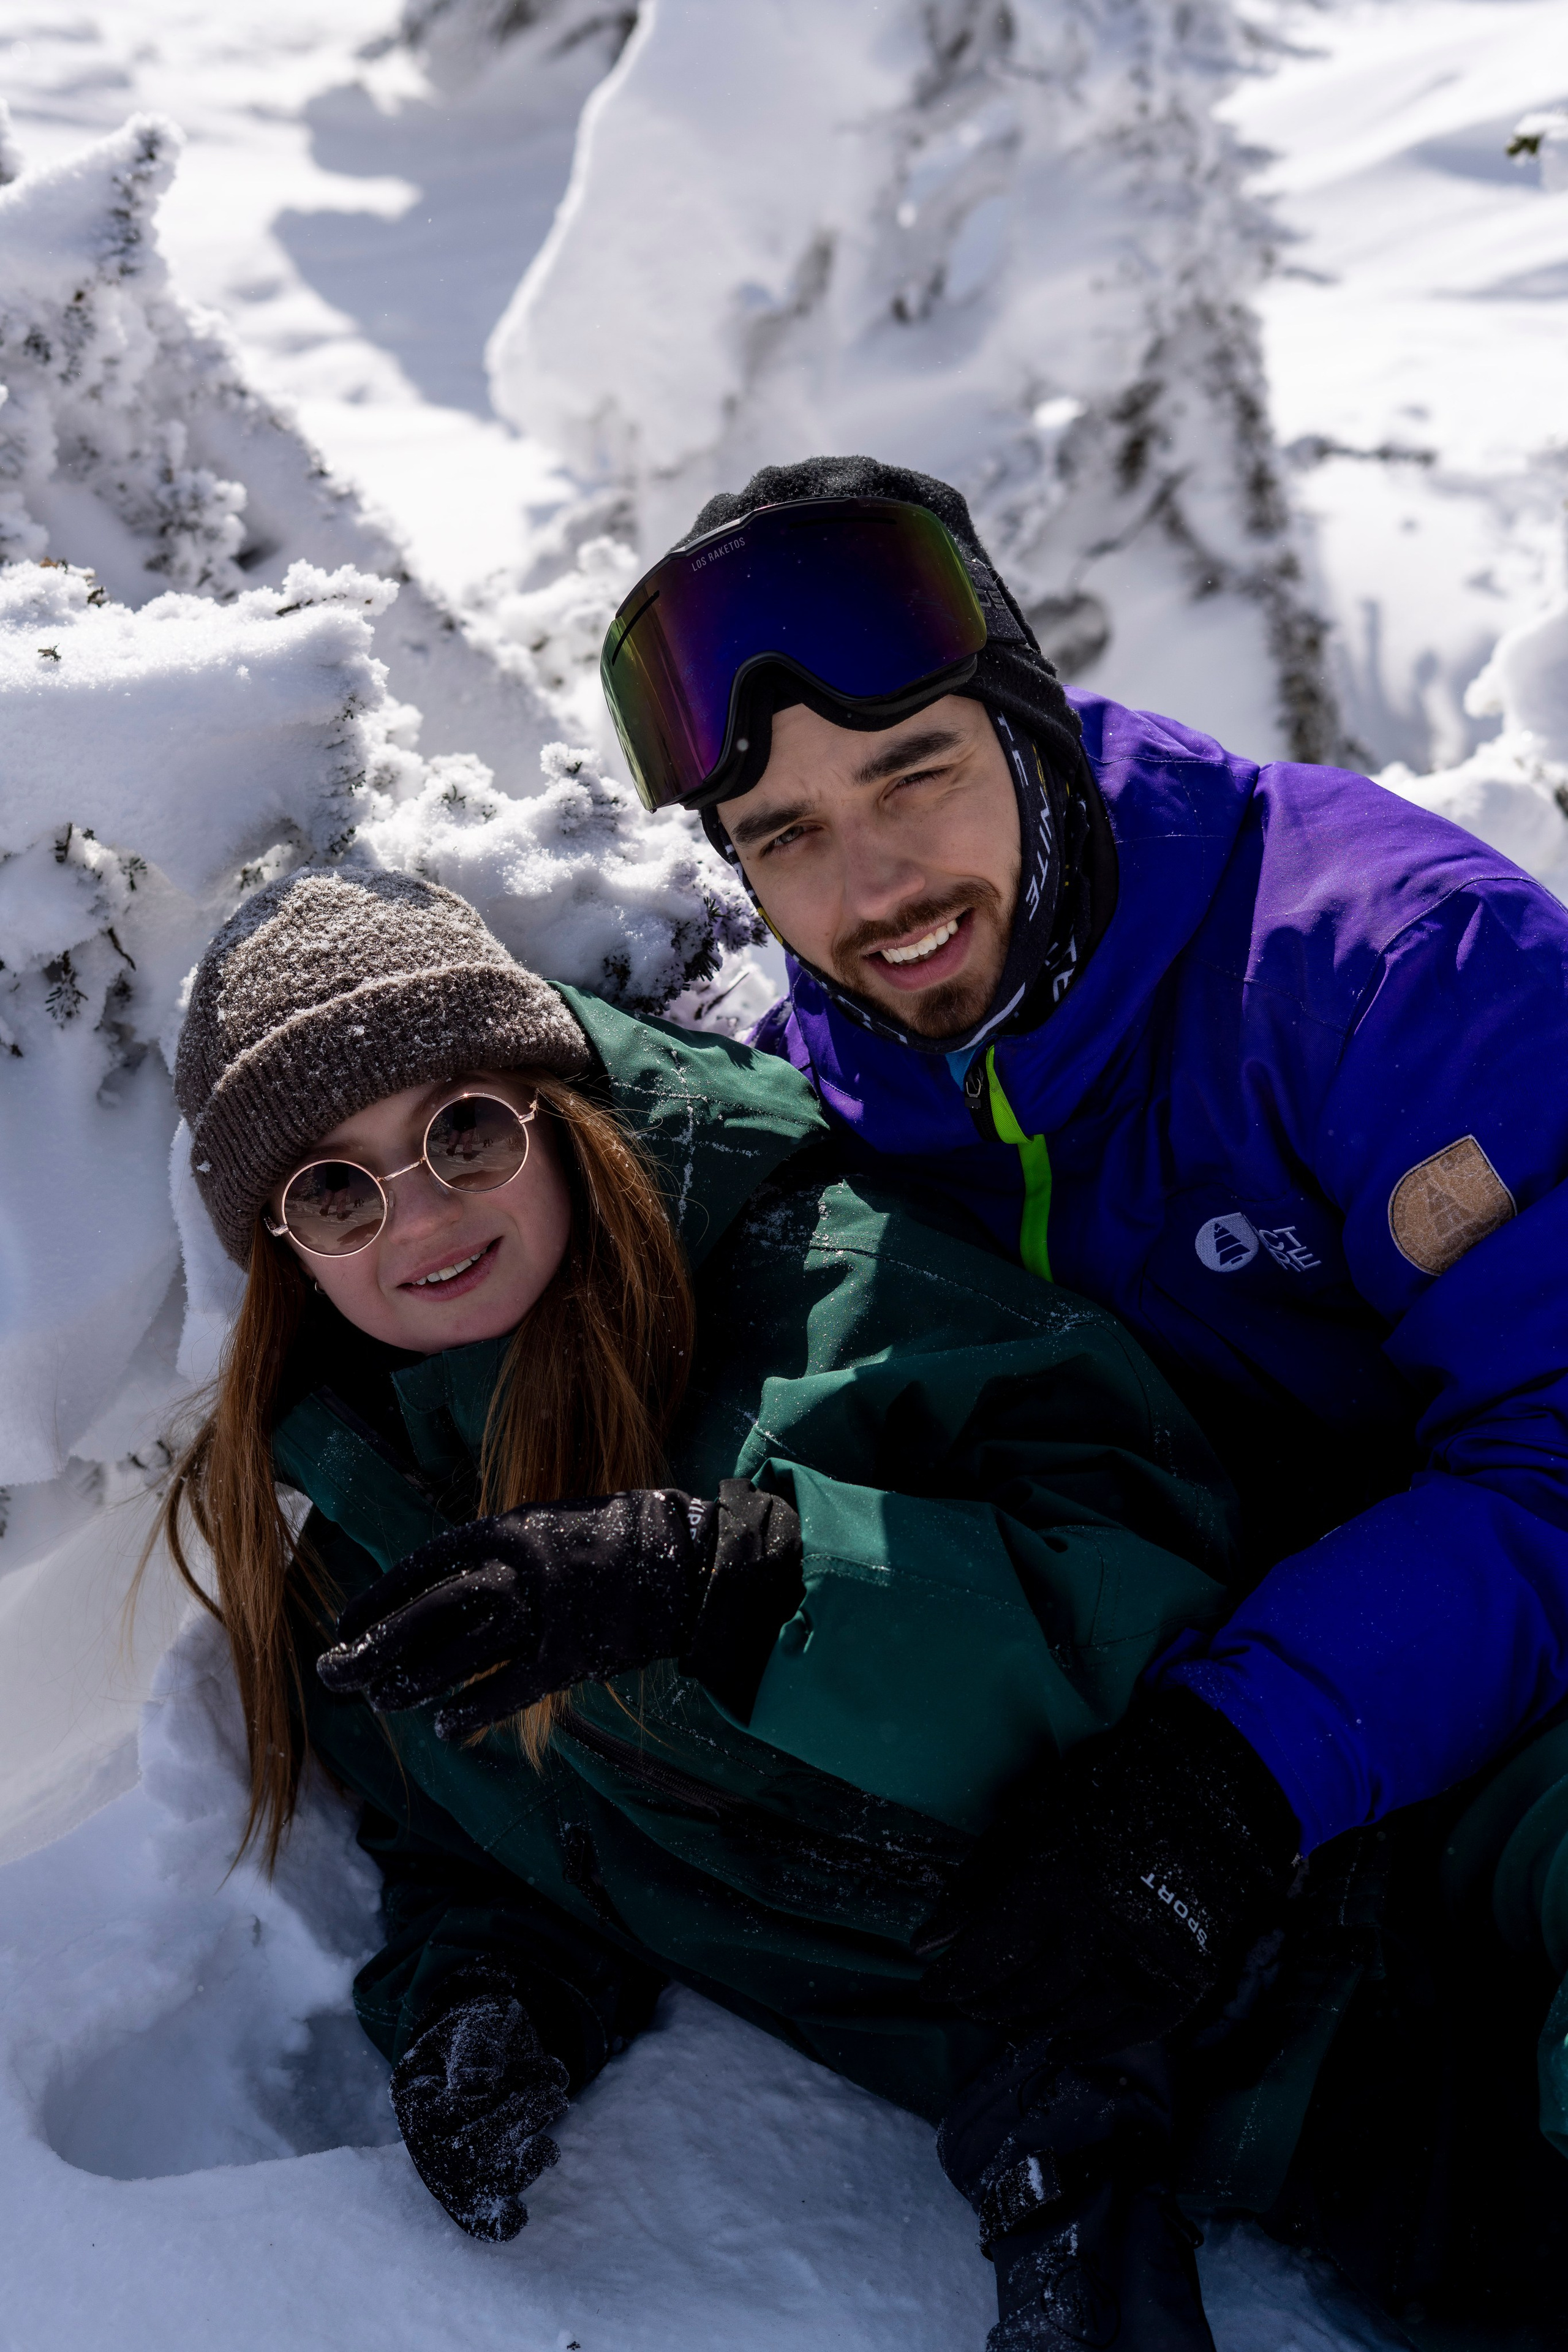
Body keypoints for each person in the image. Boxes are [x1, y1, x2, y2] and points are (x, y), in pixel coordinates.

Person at [598, 456, 1568, 2324]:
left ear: (1032, 730)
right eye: (785, 834)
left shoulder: (1387, 969)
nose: (871, 886)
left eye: (915, 776)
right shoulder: (843, 1079)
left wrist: (1230, 1773)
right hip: (1266, 1756)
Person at [159, 864, 1269, 2351]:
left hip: (1347, 1961)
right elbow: (476, 1824)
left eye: (465, 1128)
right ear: (282, 1248)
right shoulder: (356, 1527)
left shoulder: (827, 1292)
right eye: (334, 1188)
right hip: (1183, 2130)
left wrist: (740, 1579)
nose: (418, 1211)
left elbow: (1164, 1596)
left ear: (554, 1110)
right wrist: (498, 1990)